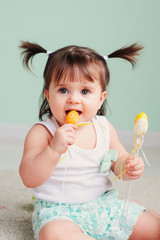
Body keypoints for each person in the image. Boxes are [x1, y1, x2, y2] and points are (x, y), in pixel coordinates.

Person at [19, 41, 160, 240]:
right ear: (48, 95)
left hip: (102, 206)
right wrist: (52, 150)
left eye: (85, 91)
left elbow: (117, 159)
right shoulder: (43, 133)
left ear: (101, 98)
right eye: (63, 90)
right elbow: (28, 177)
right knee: (53, 235)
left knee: (154, 228)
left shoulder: (103, 128)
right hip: (60, 214)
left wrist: (128, 166)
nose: (74, 99)